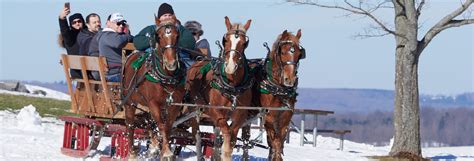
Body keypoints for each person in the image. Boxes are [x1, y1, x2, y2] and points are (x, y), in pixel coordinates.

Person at [133, 3, 196, 69]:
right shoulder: (151, 29)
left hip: (180, 57)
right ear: (159, 18)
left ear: (173, 17)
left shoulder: (180, 29)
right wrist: (154, 40)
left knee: (191, 68)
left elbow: (191, 42)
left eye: (170, 15)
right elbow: (138, 41)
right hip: (153, 60)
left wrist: (173, 41)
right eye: (165, 15)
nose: (167, 17)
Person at [96, 13, 133, 82]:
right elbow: (118, 42)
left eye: (123, 24)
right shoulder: (107, 35)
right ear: (109, 23)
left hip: (116, 72)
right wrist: (128, 36)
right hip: (114, 73)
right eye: (118, 23)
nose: (121, 26)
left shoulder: (111, 35)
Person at [58, 3, 85, 78]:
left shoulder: (88, 34)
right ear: (71, 25)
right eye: (74, 22)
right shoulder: (69, 38)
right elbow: (64, 31)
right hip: (78, 71)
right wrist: (62, 18)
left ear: (83, 22)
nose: (77, 23)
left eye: (79, 21)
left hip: (92, 69)